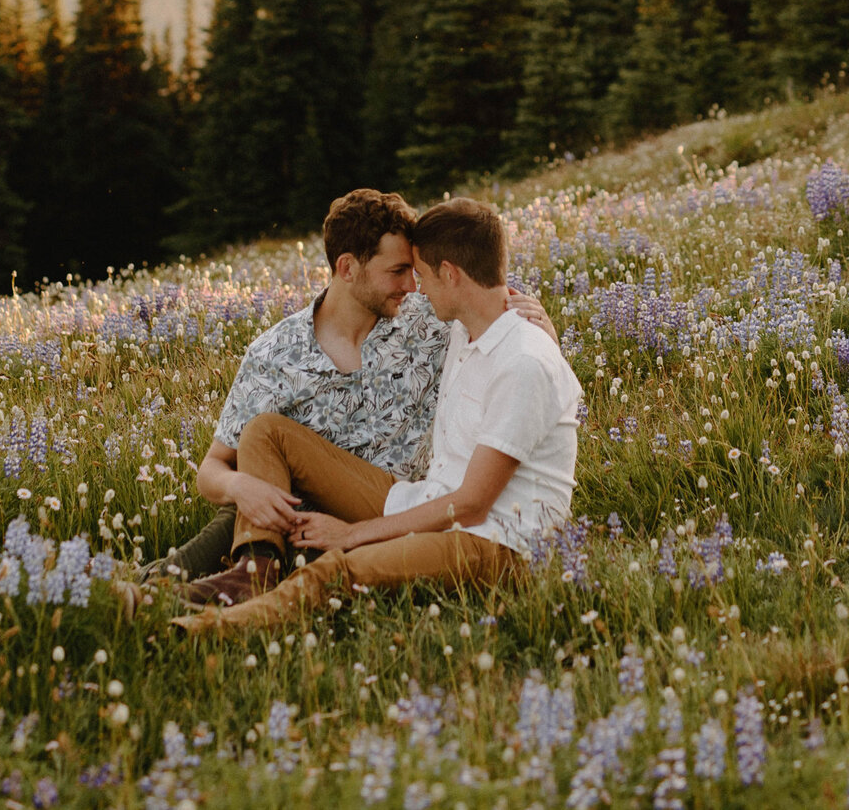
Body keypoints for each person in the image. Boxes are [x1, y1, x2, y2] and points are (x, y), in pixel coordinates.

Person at [176, 196, 582, 635]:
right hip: (300, 500)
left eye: (418, 272)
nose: (413, 287)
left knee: (335, 568)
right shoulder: (279, 349)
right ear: (348, 267)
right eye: (399, 272)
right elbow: (214, 468)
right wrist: (241, 487)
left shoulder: (446, 322)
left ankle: (191, 631)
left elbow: (473, 500)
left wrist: (546, 333)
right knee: (260, 442)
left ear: (446, 275)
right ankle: (243, 576)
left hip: (474, 528)